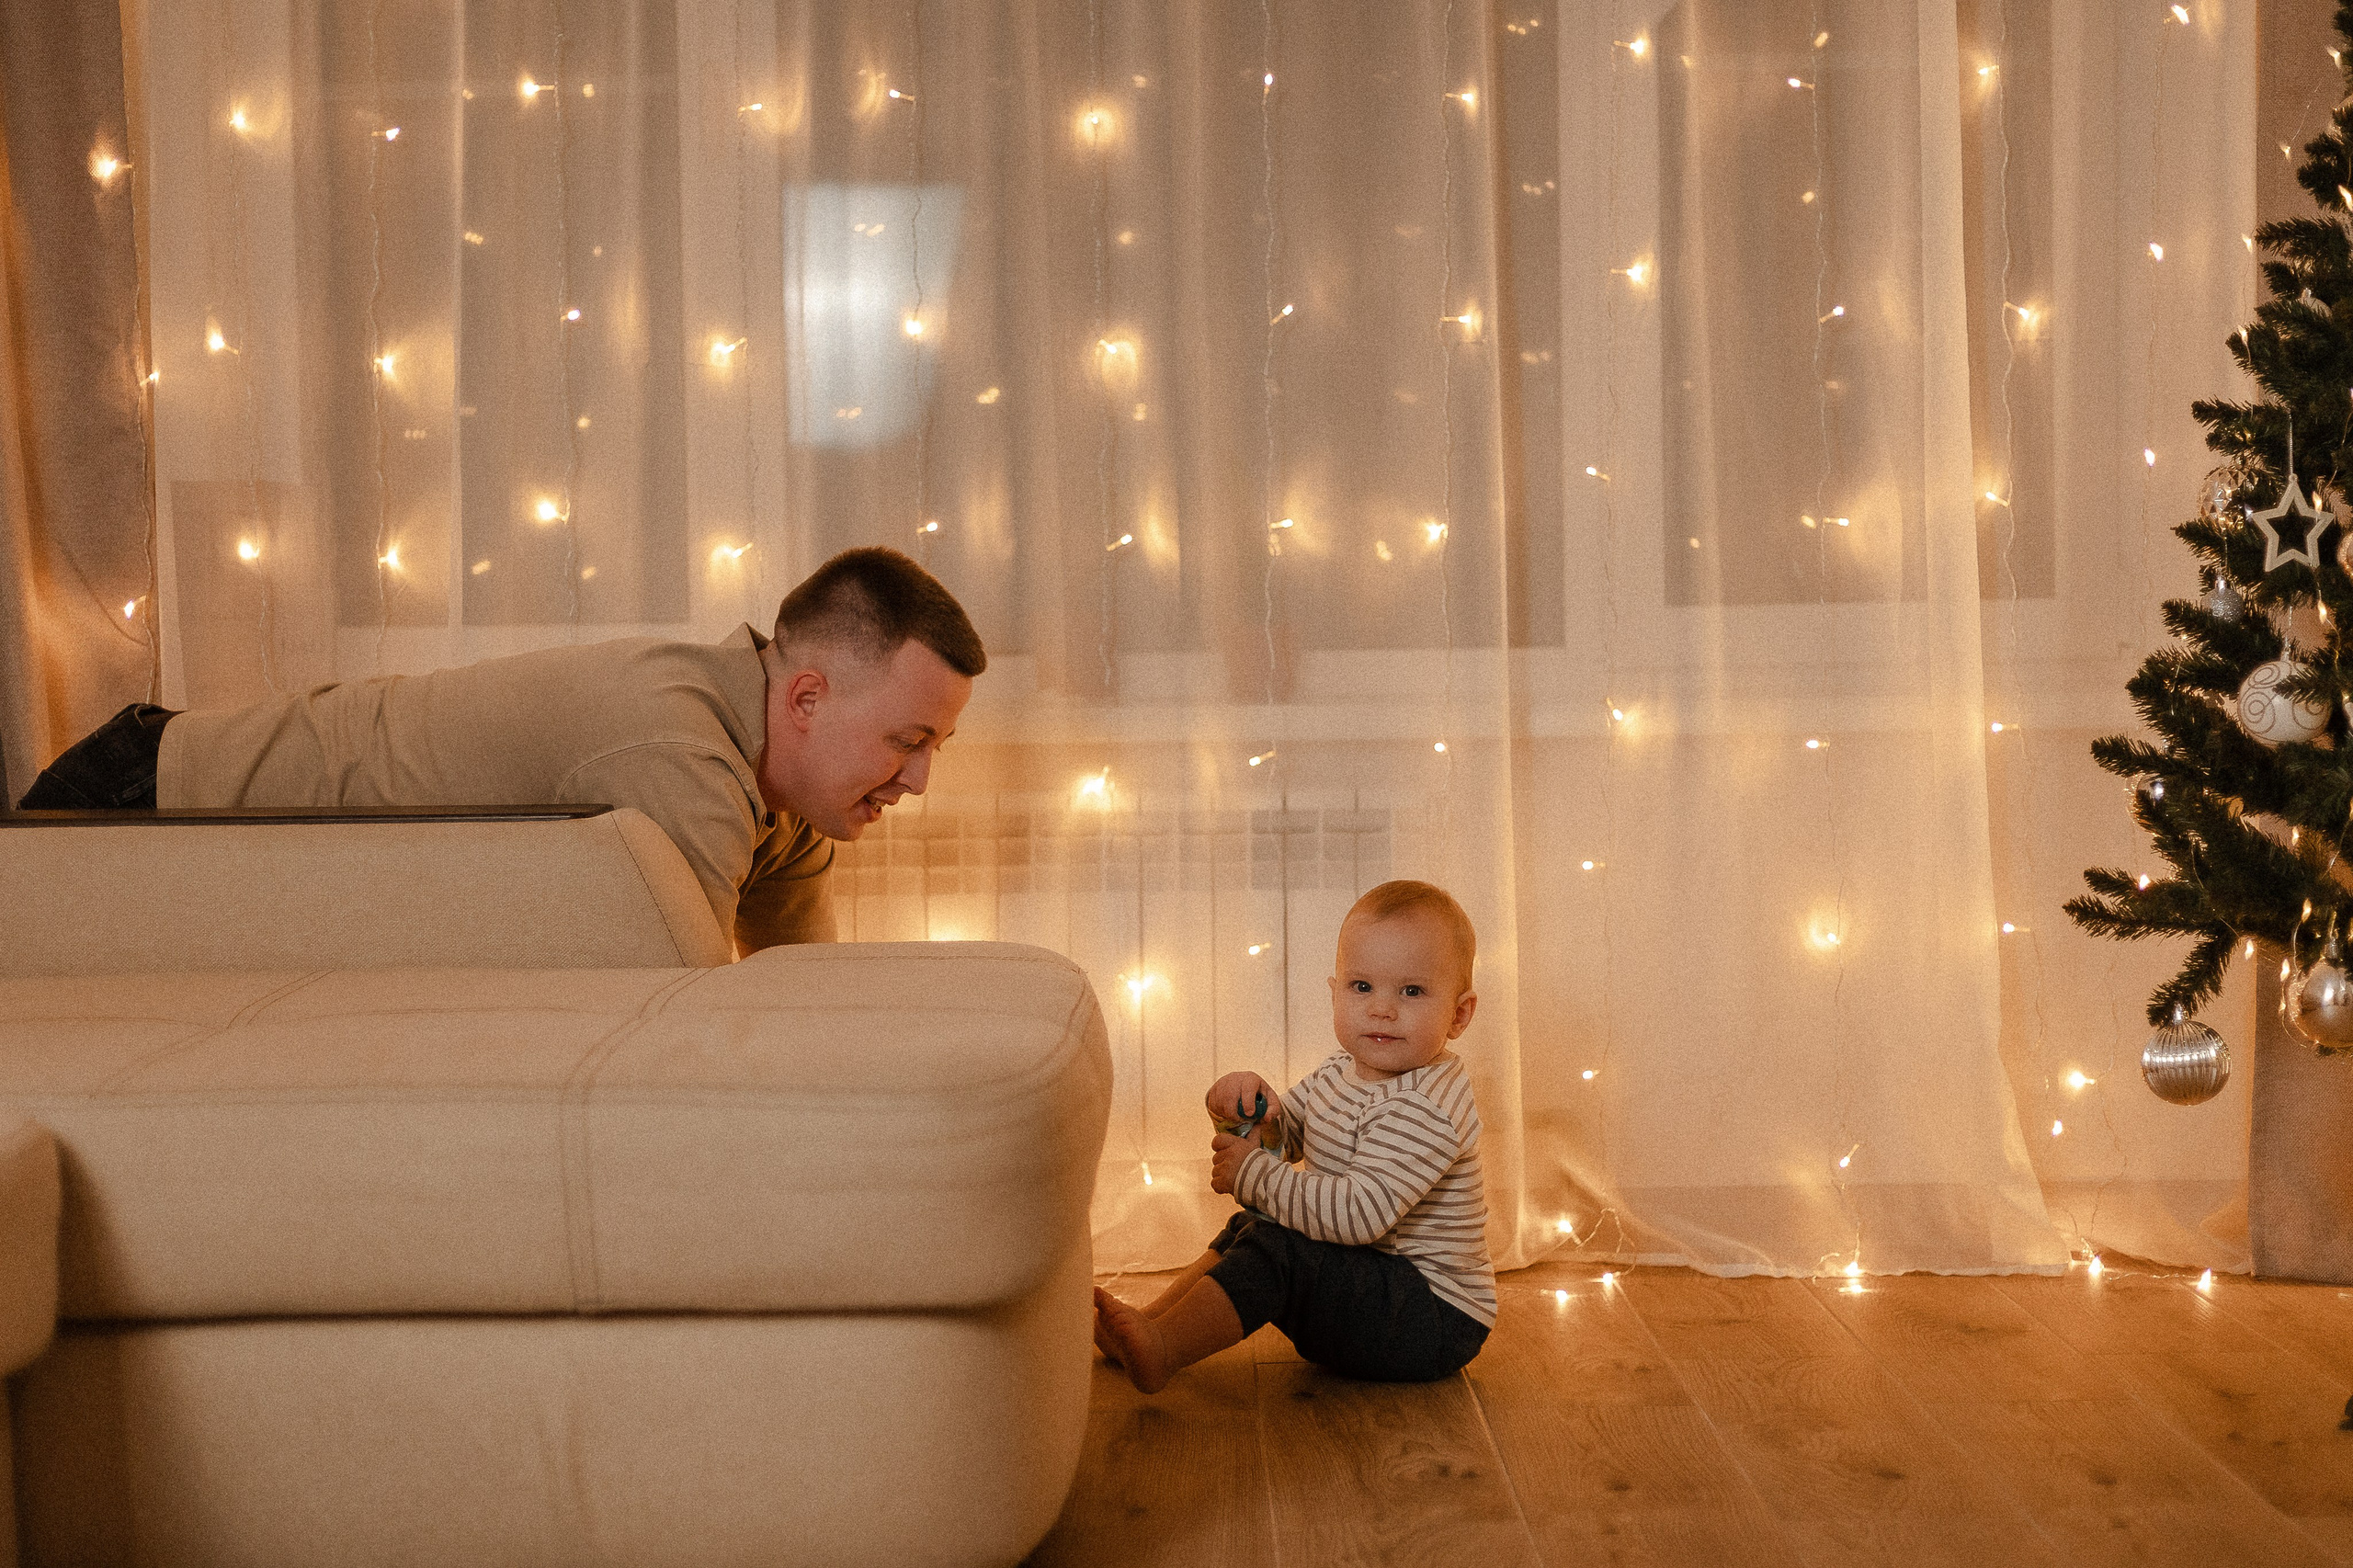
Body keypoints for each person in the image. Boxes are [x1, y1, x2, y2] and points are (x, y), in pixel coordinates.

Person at [13, 547, 983, 955]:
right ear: (806, 695)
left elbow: (802, 1008)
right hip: (143, 812)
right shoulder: (683, 752)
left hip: (205, 844)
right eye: (907, 740)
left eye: (933, 745)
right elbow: (693, 1045)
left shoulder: (782, 805)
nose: (921, 779)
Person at [1092, 879, 1495, 1392]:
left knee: (1281, 1247)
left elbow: (1358, 1216)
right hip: (1376, 1284)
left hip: (1428, 1317)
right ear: (1336, 991)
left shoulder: (1427, 1106)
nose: (1382, 1009)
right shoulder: (1342, 1071)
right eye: (1362, 987)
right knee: (1255, 1225)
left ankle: (1166, 1347)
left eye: (1411, 991)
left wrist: (1255, 1174)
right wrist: (1252, 1114)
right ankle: (1153, 1323)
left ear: (1458, 1015)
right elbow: (1286, 1140)